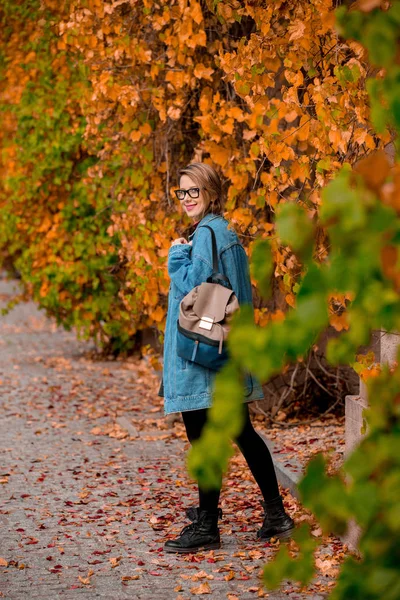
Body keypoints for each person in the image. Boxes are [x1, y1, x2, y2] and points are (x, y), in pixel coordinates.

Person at [158, 162, 294, 553]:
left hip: (203, 358)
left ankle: (208, 525)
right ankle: (272, 515)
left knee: (205, 438)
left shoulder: (205, 236)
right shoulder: (226, 231)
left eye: (193, 191)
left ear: (210, 191)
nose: (186, 199)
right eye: (181, 192)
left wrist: (175, 258)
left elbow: (191, 289)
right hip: (224, 353)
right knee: (240, 432)